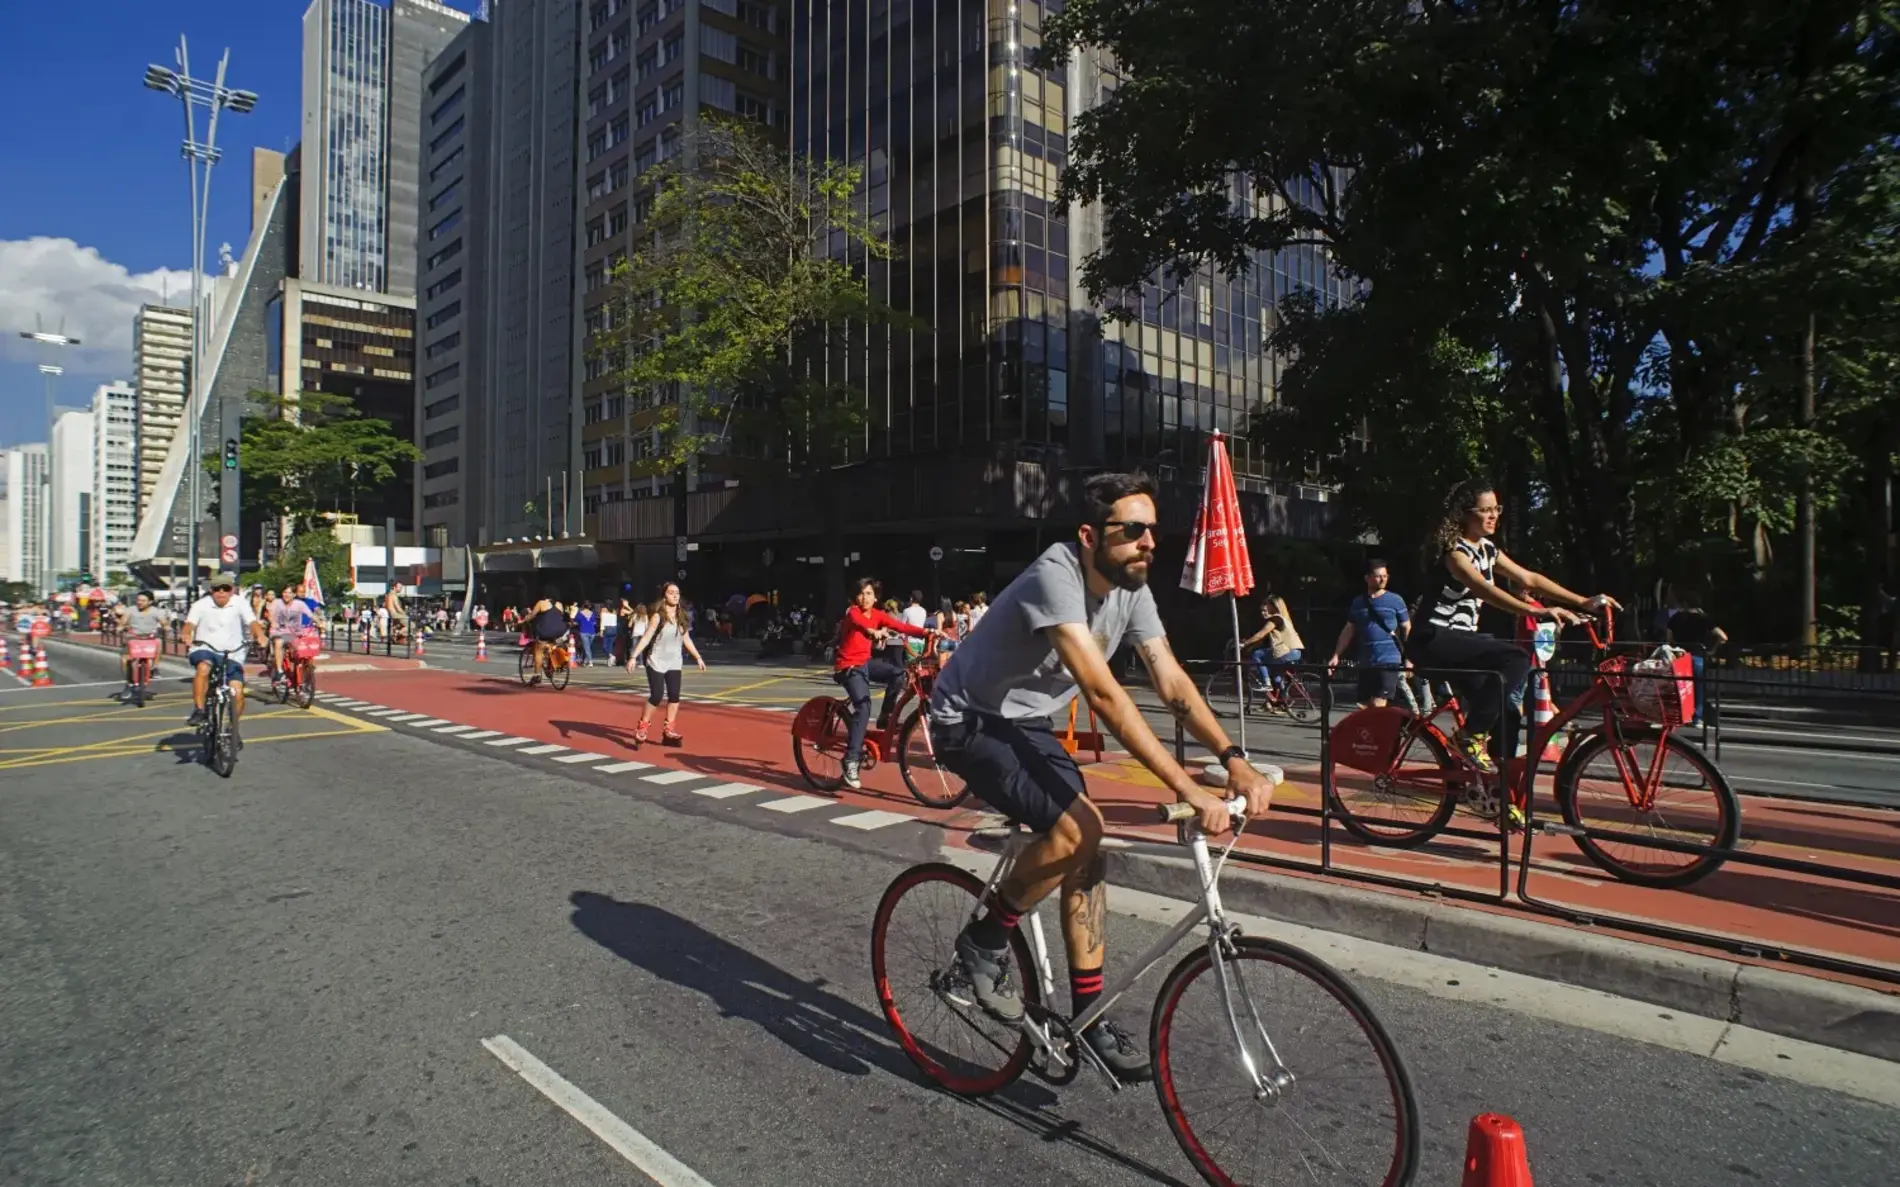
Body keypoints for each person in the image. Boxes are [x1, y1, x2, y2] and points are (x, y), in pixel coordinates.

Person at [928, 471, 1276, 1082]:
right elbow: (1104, 694)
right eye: (1133, 530)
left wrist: (1232, 758)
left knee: (1089, 849)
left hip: (1029, 722)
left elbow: (1170, 681)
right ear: (1091, 535)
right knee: (1076, 829)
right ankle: (982, 945)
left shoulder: (1132, 587)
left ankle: (1087, 1018)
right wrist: (1188, 790)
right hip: (970, 720)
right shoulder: (1055, 574)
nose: (1149, 543)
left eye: (1154, 532)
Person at [1412, 479, 1618, 772]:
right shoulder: (1455, 554)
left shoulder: (1487, 550)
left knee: (1508, 711)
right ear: (1465, 514)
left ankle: (1500, 790)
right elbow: (1487, 591)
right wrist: (1541, 611)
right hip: (1433, 639)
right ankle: (1469, 737)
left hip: (1460, 643)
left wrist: (1583, 601)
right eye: (1486, 510)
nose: (1494, 515)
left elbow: (1530, 579)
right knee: (1516, 657)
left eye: (1497, 508)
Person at [833, 578, 930, 788]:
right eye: (860, 593)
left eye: (868, 594)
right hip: (848, 666)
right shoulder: (853, 612)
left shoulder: (878, 615)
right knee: (864, 706)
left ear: (875, 597)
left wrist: (928, 632)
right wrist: (874, 632)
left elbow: (901, 626)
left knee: (898, 673)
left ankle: (885, 716)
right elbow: (861, 624)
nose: (864, 598)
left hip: (865, 663)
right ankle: (850, 760)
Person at [181, 574, 270, 732]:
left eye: (226, 589)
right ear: (211, 590)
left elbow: (252, 622)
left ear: (232, 590)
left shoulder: (240, 603)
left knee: (237, 692)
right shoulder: (201, 604)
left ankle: (232, 728)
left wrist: (260, 636)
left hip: (233, 652)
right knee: (203, 668)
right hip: (205, 648)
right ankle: (200, 710)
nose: (221, 592)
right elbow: (189, 624)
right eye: (217, 589)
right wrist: (186, 634)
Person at [628, 582, 705, 745]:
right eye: (671, 593)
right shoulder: (658, 616)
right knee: (656, 695)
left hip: (674, 661)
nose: (675, 595)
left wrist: (698, 657)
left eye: (677, 592)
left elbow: (686, 638)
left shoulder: (682, 616)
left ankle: (668, 728)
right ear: (665, 595)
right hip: (656, 660)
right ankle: (643, 726)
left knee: (674, 696)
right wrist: (634, 656)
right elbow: (647, 637)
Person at [1327, 559, 1411, 708]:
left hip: (1389, 659)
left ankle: (1383, 730)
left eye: (1385, 576)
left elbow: (1406, 628)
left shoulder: (1395, 600)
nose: (1382, 579)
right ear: (1367, 578)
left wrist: (1410, 657)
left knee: (1379, 703)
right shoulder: (1358, 602)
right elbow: (1348, 630)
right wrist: (1336, 654)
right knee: (1365, 705)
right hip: (1366, 660)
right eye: (1378, 576)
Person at [1667, 588, 1728, 726]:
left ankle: (1679, 715)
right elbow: (1723, 636)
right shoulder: (1704, 619)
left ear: (1684, 603)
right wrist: (1712, 650)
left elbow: (1668, 639)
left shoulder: (1676, 618)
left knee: (1678, 688)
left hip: (1680, 656)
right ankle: (1697, 718)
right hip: (1698, 656)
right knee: (1699, 689)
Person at [1240, 592, 1304, 710]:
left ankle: (1266, 683)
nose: (1263, 613)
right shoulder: (1285, 619)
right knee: (1276, 677)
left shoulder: (1275, 619)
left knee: (1257, 655)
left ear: (1273, 608)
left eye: (1266, 609)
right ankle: (1282, 702)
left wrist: (1244, 643)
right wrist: (1250, 644)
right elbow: (1262, 639)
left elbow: (1261, 634)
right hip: (1295, 652)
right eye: (1262, 610)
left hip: (1286, 652)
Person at [116, 591, 169, 703]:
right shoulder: (131, 610)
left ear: (150, 601)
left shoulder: (156, 611)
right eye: (138, 600)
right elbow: (123, 621)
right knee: (124, 659)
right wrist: (120, 627)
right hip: (133, 637)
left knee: (159, 642)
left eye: (143, 600)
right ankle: (129, 684)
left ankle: (155, 667)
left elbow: (164, 622)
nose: (140, 602)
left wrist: (166, 627)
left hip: (150, 637)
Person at [267, 583, 317, 681]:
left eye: (290, 593)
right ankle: (279, 671)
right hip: (279, 632)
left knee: (302, 645)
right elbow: (270, 614)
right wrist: (273, 622)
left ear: (294, 595)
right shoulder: (276, 602)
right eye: (285, 592)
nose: (287, 595)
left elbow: (311, 615)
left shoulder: (300, 604)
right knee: (279, 642)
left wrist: (320, 622)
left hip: (293, 633)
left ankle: (301, 669)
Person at [524, 595, 570, 684]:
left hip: (545, 630)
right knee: (552, 646)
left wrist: (524, 620)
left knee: (538, 650)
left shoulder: (541, 603)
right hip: (559, 630)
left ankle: (537, 675)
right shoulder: (559, 604)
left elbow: (532, 615)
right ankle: (551, 667)